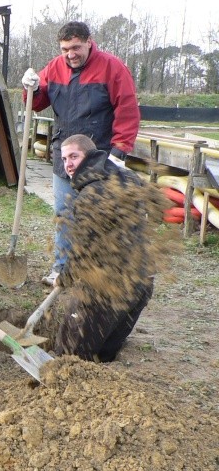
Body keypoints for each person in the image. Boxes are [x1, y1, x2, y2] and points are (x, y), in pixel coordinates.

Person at [22, 21, 140, 286]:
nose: (70, 54)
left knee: (97, 216)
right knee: (65, 214)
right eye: (65, 49)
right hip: (65, 155)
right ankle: (61, 269)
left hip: (98, 159)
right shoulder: (54, 68)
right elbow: (37, 103)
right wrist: (30, 88)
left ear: (89, 42)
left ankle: (98, 273)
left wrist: (119, 152)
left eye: (76, 47)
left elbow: (128, 110)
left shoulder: (112, 68)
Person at [54, 134, 164, 363]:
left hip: (109, 287)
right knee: (102, 354)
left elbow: (83, 253)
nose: (68, 164)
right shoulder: (127, 177)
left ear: (91, 155)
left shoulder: (90, 195)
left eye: (74, 156)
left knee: (67, 357)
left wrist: (63, 278)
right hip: (142, 282)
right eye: (64, 159)